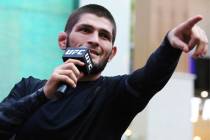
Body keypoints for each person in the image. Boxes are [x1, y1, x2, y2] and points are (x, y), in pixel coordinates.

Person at [0, 4, 208, 140]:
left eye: (104, 36)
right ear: (63, 40)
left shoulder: (115, 94)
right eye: (85, 30)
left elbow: (149, 77)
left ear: (111, 53)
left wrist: (170, 45)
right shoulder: (28, 87)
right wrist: (43, 95)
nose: (94, 40)